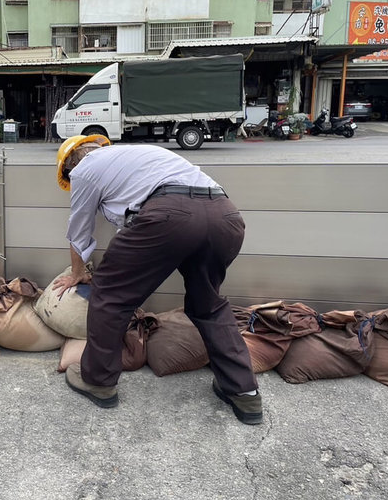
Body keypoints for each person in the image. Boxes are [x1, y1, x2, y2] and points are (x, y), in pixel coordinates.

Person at [53, 135, 262, 425]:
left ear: (70, 163)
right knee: (208, 304)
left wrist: (78, 273)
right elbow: (134, 225)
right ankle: (244, 391)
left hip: (170, 216)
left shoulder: (84, 169)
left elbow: (79, 231)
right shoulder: (141, 157)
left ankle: (98, 381)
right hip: (225, 217)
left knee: (110, 297)